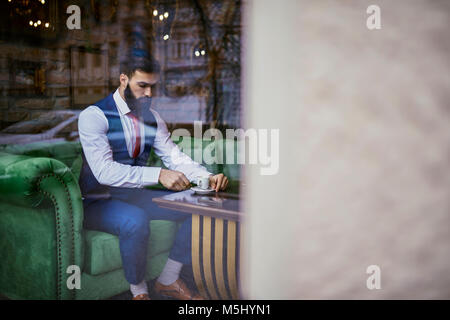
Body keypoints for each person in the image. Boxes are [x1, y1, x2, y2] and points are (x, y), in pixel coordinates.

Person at [77, 50, 228, 300]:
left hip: (134, 195)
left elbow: (174, 156)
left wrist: (206, 177)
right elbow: (103, 171)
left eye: (152, 87)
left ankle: (168, 278)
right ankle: (139, 292)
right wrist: (158, 174)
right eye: (142, 86)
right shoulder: (93, 116)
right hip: (97, 201)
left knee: (200, 207)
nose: (148, 94)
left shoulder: (153, 118)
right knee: (135, 221)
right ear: (123, 79)